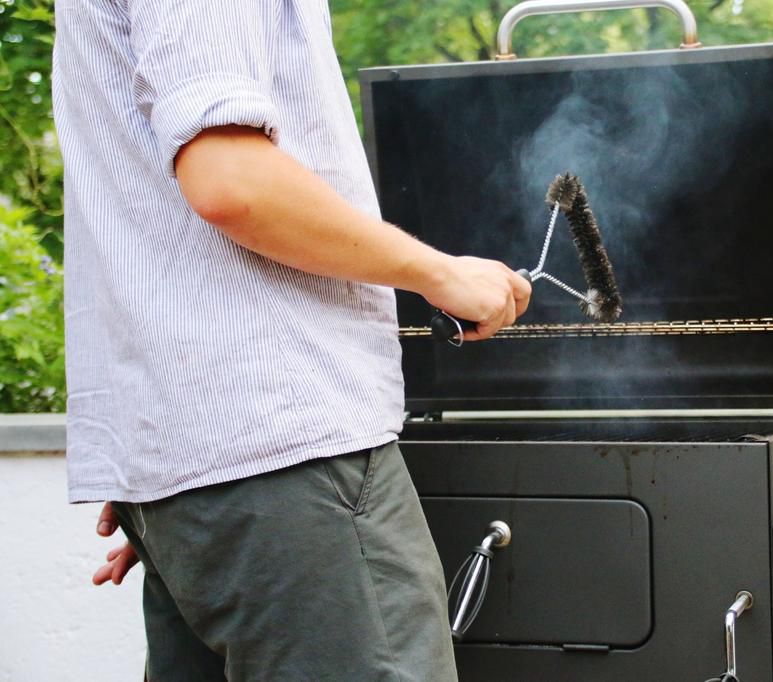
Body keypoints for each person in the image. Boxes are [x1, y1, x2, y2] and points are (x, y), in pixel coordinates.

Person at [54, 0, 530, 679]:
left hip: (203, 473)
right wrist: (440, 273)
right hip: (285, 453)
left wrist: (189, 484)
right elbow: (233, 184)